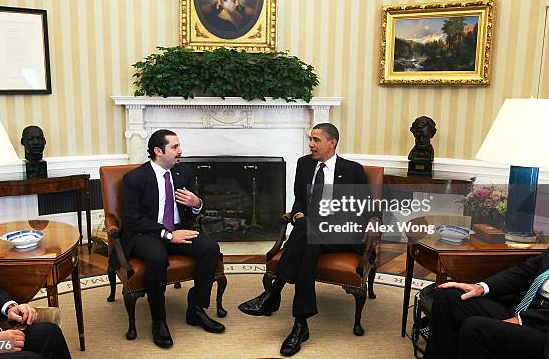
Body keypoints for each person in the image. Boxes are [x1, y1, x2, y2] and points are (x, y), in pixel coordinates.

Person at [238, 123, 376, 356]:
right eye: (310, 139)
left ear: (332, 143)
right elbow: (299, 200)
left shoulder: (352, 170)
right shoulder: (304, 164)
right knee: (308, 245)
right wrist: (302, 215)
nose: (311, 144)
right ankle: (300, 324)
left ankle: (273, 293)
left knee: (305, 230)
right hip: (310, 233)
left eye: (316, 140)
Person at [119, 129, 225, 348]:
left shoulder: (183, 172)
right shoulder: (134, 178)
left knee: (210, 248)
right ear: (159, 151)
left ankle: (196, 308)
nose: (180, 151)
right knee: (157, 258)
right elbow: (132, 219)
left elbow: (192, 208)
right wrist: (167, 235)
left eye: (179, 146)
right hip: (146, 233)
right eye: (174, 147)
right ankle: (159, 320)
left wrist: (197, 204)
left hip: (178, 228)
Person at [424, 236, 549, 359]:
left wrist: (521, 320)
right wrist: (481, 287)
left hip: (548, 332)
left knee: (476, 329)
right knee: (448, 297)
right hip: (522, 309)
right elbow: (528, 269)